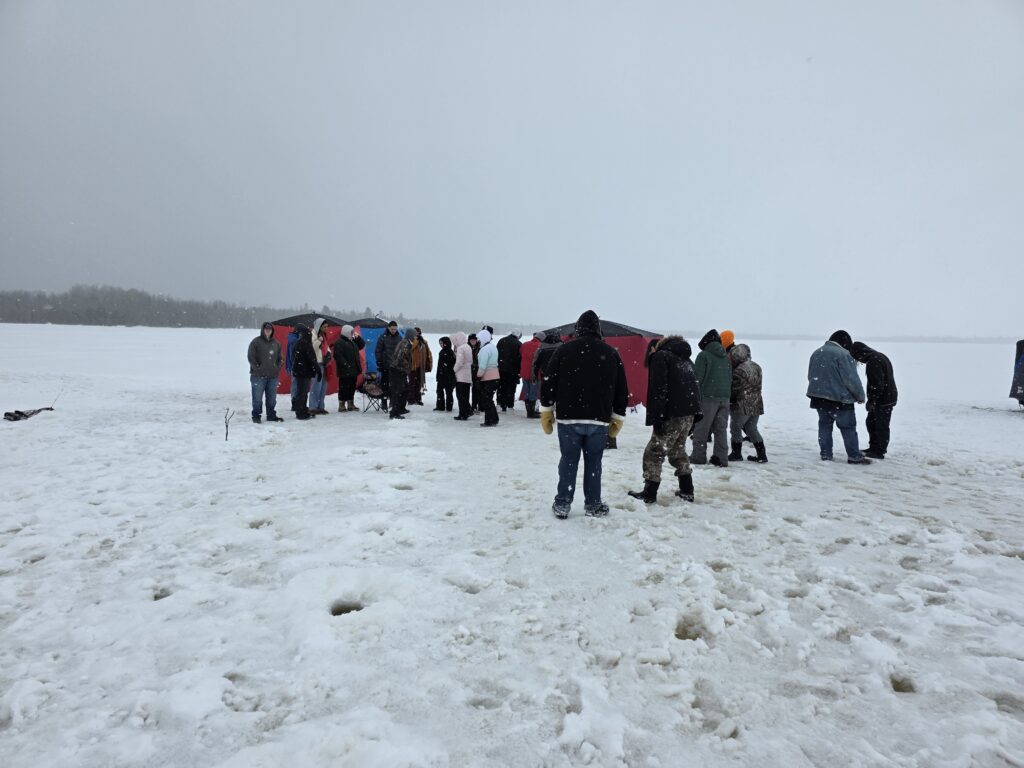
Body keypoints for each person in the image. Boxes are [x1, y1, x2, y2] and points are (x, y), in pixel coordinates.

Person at [540, 310, 628, 519]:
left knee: (568, 461)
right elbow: (621, 389)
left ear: (577, 329)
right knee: (594, 463)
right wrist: (618, 416)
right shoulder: (611, 353)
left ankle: (562, 503)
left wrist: (546, 410)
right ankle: (593, 504)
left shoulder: (564, 350)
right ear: (599, 330)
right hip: (598, 420)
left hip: (569, 418)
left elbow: (549, 382)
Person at [628, 336, 702, 504]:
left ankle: (649, 492)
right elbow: (696, 387)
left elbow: (658, 389)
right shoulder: (686, 360)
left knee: (654, 452)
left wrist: (657, 417)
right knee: (678, 451)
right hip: (688, 413)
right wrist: (696, 415)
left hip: (672, 414)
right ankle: (687, 490)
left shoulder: (661, 356)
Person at [807, 331, 870, 464]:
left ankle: (826, 454)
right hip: (840, 399)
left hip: (819, 398)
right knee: (848, 428)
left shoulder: (817, 352)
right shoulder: (844, 355)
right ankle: (854, 456)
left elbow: (810, 375)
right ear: (845, 343)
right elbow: (851, 379)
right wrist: (860, 396)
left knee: (824, 426)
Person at [690, 330, 733, 466]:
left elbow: (697, 379)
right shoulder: (725, 357)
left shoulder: (704, 356)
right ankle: (721, 458)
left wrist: (694, 397)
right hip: (724, 398)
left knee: (701, 429)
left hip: (708, 398)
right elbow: (730, 378)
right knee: (721, 429)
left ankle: (698, 457)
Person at [851, 341, 898, 459]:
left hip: (883, 400)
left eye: (857, 358)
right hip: (888, 396)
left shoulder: (873, 361)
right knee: (872, 422)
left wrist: (872, 401)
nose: (859, 362)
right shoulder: (879, 356)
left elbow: (877, 384)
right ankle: (874, 447)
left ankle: (879, 451)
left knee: (880, 425)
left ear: (860, 353)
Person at [727, 343, 767, 463]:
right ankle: (762, 455)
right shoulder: (757, 366)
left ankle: (736, 453)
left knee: (735, 427)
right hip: (757, 403)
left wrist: (730, 400)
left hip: (742, 405)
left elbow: (735, 389)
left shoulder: (739, 370)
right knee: (751, 428)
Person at [247, 321, 284, 423]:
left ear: (272, 331)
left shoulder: (276, 343)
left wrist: (277, 368)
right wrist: (257, 368)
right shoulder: (255, 342)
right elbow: (251, 357)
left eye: (270, 329)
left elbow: (281, 359)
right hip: (258, 376)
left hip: (273, 376)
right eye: (266, 329)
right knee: (257, 399)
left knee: (272, 399)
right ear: (263, 330)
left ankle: (271, 415)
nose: (268, 330)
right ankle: (256, 416)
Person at [290, 325, 320, 421]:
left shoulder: (300, 343)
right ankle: (300, 412)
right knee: (302, 393)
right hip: (303, 372)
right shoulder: (304, 344)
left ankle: (302, 409)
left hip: (302, 372)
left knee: (302, 392)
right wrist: (316, 369)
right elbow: (311, 358)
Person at [333, 325, 365, 412]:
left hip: (354, 369)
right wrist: (346, 365)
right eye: (351, 332)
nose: (352, 333)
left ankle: (351, 403)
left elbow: (362, 345)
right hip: (345, 370)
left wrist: (357, 337)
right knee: (343, 387)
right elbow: (338, 356)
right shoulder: (339, 342)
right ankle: (342, 404)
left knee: (352, 387)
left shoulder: (353, 341)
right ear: (346, 332)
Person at [388, 328, 415, 420]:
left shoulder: (406, 342)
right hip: (397, 370)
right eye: (414, 335)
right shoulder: (405, 344)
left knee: (405, 390)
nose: (415, 337)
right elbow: (400, 358)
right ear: (410, 335)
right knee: (397, 392)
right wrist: (407, 367)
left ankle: (401, 408)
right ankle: (394, 413)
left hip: (400, 370)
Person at [374, 321, 402, 412]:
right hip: (385, 365)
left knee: (394, 385)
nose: (394, 330)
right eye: (392, 329)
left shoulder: (399, 337)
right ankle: (384, 402)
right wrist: (379, 362)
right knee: (385, 384)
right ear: (388, 328)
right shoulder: (383, 337)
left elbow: (402, 351)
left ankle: (393, 402)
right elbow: (378, 350)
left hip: (396, 366)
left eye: (395, 329)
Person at [476, 329, 501, 426]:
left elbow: (482, 365)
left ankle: (489, 421)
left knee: (486, 400)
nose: (478, 340)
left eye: (479, 338)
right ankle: (494, 418)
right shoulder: (492, 347)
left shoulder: (485, 349)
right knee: (489, 399)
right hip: (495, 377)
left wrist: (478, 377)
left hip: (488, 378)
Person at [520, 332, 547, 418]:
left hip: (524, 371)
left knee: (526, 391)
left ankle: (529, 411)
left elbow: (521, 354)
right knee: (533, 392)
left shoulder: (524, 344)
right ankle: (531, 413)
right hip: (535, 373)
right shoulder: (541, 346)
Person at [307, 318, 331, 415]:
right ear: (319, 327)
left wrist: (329, 355)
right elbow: (312, 348)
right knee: (316, 386)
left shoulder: (324, 336)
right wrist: (319, 341)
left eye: (327, 327)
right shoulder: (312, 334)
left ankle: (321, 406)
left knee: (323, 386)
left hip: (324, 364)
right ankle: (313, 406)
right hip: (316, 363)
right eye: (324, 327)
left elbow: (327, 348)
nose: (326, 329)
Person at [496, 330, 523, 412]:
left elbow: (497, 353)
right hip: (513, 370)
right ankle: (509, 405)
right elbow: (520, 358)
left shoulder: (501, 340)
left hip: (501, 368)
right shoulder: (518, 344)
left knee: (501, 387)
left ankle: (499, 404)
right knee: (511, 388)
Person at [452, 332, 474, 420]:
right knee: (466, 395)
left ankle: (463, 414)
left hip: (461, 376)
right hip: (468, 375)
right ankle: (468, 411)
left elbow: (459, 362)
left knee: (460, 396)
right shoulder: (468, 347)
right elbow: (470, 361)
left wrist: (453, 370)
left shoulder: (460, 348)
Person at [408, 328, 433, 406]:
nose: (417, 334)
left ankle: (418, 398)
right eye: (416, 332)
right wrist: (415, 341)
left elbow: (428, 353)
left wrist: (428, 364)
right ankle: (411, 399)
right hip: (412, 366)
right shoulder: (410, 342)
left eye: (419, 332)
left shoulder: (423, 342)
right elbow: (410, 350)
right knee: (412, 383)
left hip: (421, 366)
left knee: (419, 383)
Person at [434, 336, 456, 412]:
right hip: (441, 375)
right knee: (439, 391)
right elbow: (439, 365)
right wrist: (438, 375)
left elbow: (451, 365)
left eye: (441, 343)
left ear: (446, 343)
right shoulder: (442, 352)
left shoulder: (450, 352)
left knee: (448, 392)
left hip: (448, 376)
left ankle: (449, 406)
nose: (440, 345)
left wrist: (445, 367)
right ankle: (440, 406)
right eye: (439, 343)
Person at [285, 324, 301, 410]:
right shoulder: (295, 339)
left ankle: (295, 403)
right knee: (296, 385)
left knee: (296, 385)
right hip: (295, 365)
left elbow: (288, 354)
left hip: (294, 365)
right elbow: (291, 354)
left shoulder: (291, 338)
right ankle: (295, 403)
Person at [468, 333, 480, 412]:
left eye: (474, 340)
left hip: (478, 370)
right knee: (473, 389)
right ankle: (473, 406)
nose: (473, 341)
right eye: (471, 340)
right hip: (470, 370)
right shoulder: (467, 347)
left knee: (478, 388)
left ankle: (479, 405)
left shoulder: (479, 347)